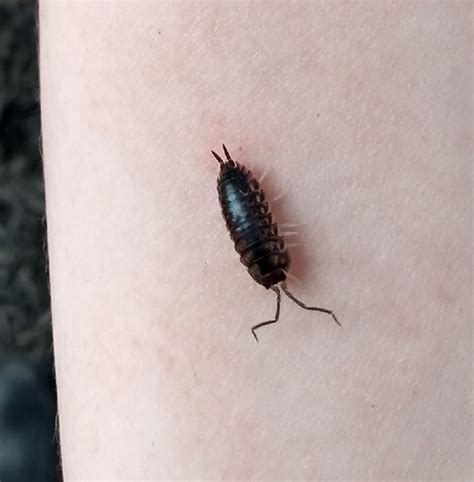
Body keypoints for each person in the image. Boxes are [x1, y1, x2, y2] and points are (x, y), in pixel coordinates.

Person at [40, 1, 471, 479]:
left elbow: (254, 230)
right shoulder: (268, 251)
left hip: (238, 200)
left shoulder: (268, 253)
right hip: (239, 194)